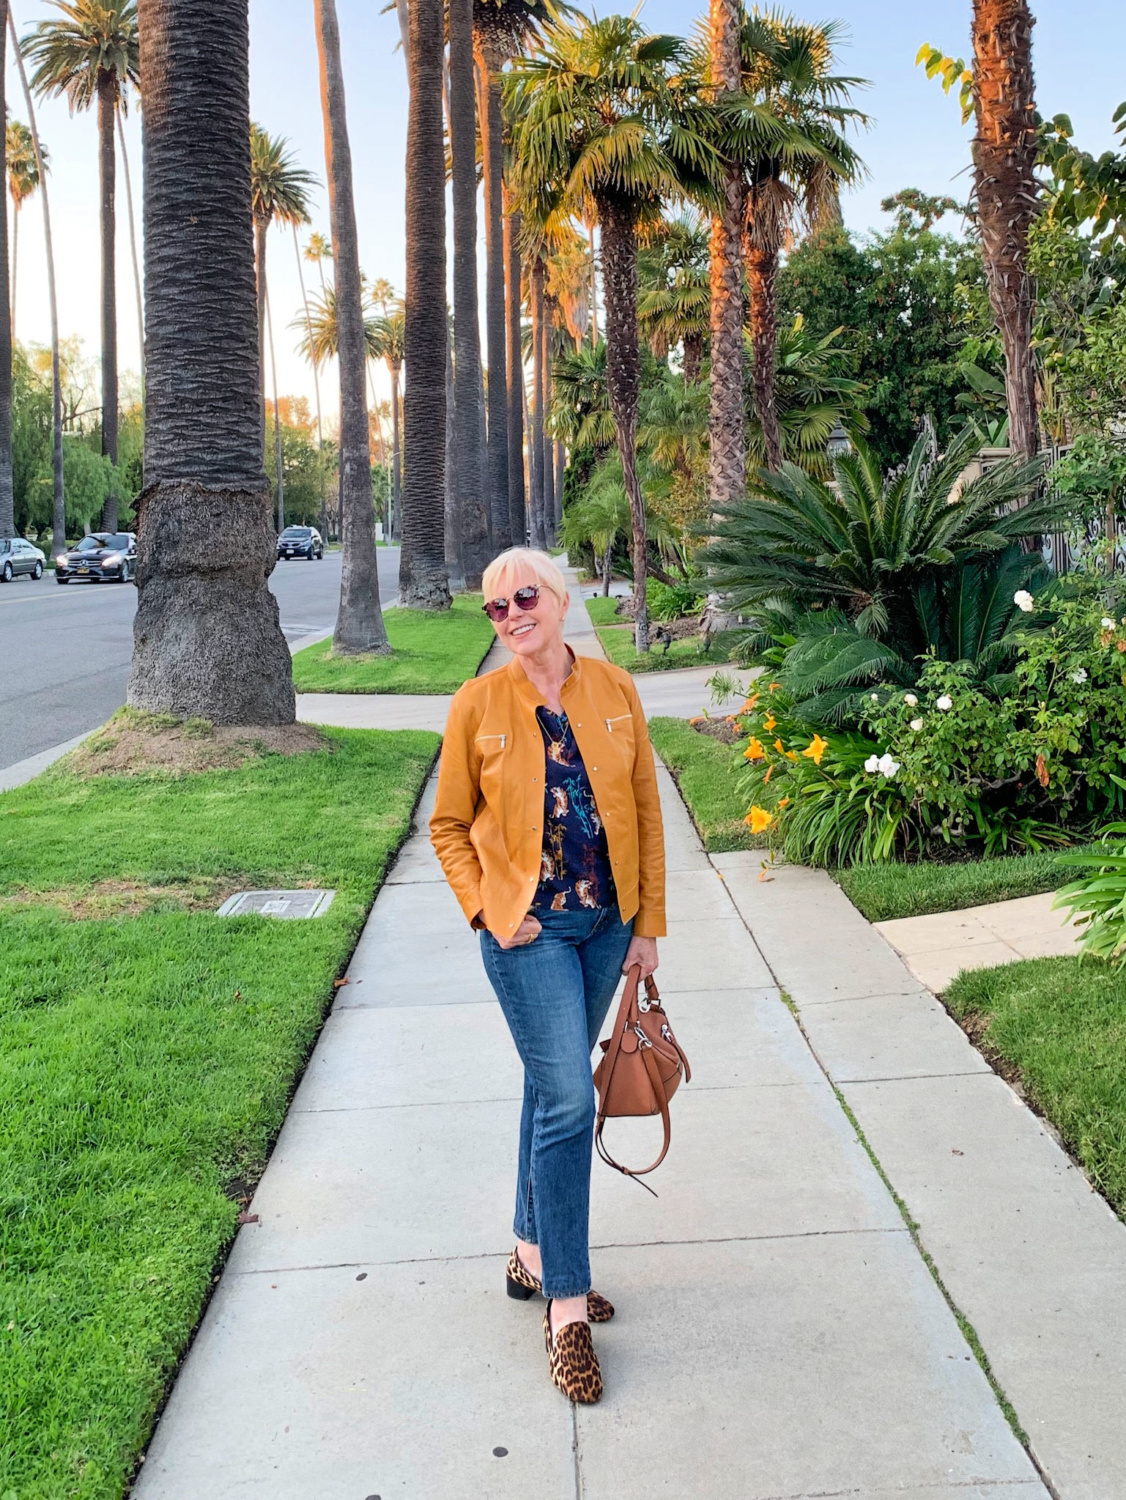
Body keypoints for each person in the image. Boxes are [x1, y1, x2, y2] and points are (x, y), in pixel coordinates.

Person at [430, 547, 666, 1404]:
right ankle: (567, 1305)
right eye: (494, 609)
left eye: (522, 597)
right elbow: (448, 826)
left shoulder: (614, 689)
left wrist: (648, 927)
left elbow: (644, 808)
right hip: (526, 931)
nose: (510, 615)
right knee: (569, 1099)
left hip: (606, 927)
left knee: (548, 1085)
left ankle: (531, 1253)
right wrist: (490, 911)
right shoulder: (478, 705)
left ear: (559, 599)